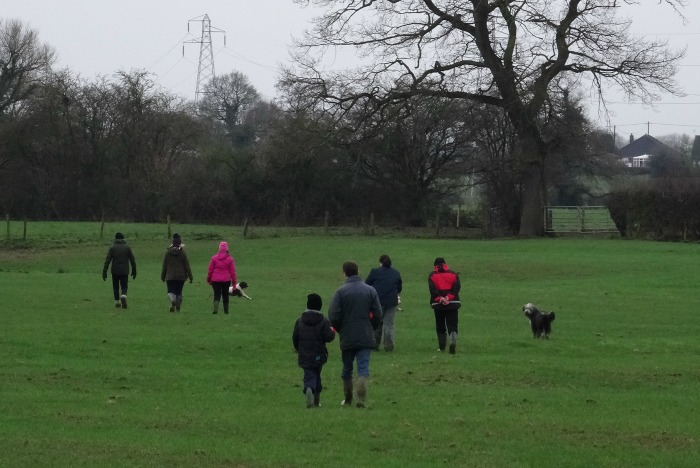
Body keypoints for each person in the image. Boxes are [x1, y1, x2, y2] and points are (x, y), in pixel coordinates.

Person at [329, 261, 382, 408]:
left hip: (347, 335)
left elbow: (334, 315)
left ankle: (347, 398)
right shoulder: (370, 291)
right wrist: (371, 327)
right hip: (365, 334)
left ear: (344, 273)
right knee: (363, 367)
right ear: (358, 272)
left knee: (347, 368)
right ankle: (361, 398)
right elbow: (378, 314)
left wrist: (341, 329)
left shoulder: (340, 292)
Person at [292, 293, 336, 408]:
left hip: (304, 354)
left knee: (309, 373)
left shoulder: (300, 321)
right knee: (316, 373)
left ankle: (309, 389)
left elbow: (295, 338)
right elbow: (329, 337)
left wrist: (299, 349)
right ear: (320, 306)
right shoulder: (324, 321)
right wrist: (333, 331)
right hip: (319, 354)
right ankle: (315, 398)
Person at [365, 254, 403, 352]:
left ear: (380, 262)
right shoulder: (396, 273)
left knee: (377, 323)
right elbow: (399, 288)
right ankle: (389, 346)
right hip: (391, 302)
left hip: (377, 301)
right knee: (389, 324)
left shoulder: (374, 272)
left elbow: (367, 284)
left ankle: (374, 344)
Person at [428, 257, 462, 354]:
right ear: (444, 264)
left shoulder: (432, 275)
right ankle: (453, 336)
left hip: (438, 305)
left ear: (435, 265)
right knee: (452, 324)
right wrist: (448, 297)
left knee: (440, 325)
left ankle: (442, 346)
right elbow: (457, 287)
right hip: (452, 303)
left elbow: (432, 289)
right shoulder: (453, 274)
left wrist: (441, 298)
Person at [102, 232, 136, 309]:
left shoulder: (112, 248)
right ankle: (123, 295)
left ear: (115, 238)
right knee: (124, 286)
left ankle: (117, 302)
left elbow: (107, 260)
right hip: (124, 270)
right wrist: (134, 271)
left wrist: (104, 272)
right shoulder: (127, 248)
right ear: (123, 238)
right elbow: (132, 260)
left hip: (115, 270)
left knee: (115, 286)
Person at [160, 233, 193, 312]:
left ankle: (172, 301)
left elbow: (164, 266)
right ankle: (177, 306)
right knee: (179, 292)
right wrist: (190, 277)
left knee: (171, 291)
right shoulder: (182, 253)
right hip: (181, 277)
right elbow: (187, 266)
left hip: (170, 276)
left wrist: (162, 276)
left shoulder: (168, 253)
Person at [207, 241, 237, 315]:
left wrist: (209, 279)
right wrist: (234, 284)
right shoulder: (230, 259)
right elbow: (233, 272)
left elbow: (210, 270)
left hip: (215, 280)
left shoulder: (214, 258)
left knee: (217, 294)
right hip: (226, 280)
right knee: (225, 295)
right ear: (227, 249)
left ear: (219, 248)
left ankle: (215, 310)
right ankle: (226, 311)